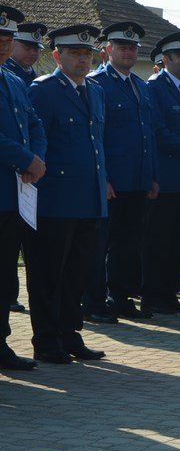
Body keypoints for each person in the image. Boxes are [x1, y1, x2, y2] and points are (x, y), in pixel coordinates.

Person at [24, 25, 110, 364]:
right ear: (57, 56)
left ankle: (69, 333)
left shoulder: (95, 91)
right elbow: (35, 141)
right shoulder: (43, 91)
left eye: (87, 54)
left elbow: (98, 144)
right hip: (55, 199)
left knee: (77, 273)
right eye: (75, 53)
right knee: (48, 274)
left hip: (88, 198)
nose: (82, 60)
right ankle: (46, 340)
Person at [85, 21, 158, 321]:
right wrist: (102, 179)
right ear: (107, 50)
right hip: (112, 180)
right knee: (100, 244)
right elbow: (95, 136)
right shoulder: (96, 83)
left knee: (128, 244)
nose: (128, 52)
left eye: (132, 48)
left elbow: (147, 134)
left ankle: (121, 296)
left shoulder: (139, 85)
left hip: (137, 179)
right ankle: (93, 301)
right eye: (122, 47)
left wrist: (152, 176)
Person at [0, 6, 46, 371]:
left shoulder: (14, 81)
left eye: (8, 39)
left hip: (13, 194)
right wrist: (25, 159)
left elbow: (35, 124)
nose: (4, 46)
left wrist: (36, 159)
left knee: (4, 274)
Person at [143, 31, 180, 315]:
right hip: (166, 177)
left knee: (179, 241)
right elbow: (159, 132)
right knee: (159, 240)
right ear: (165, 59)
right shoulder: (155, 87)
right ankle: (153, 295)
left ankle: (168, 293)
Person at [5, 21, 46, 87]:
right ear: (12, 45)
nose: (33, 53)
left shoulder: (35, 76)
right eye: (27, 47)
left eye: (36, 49)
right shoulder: (5, 72)